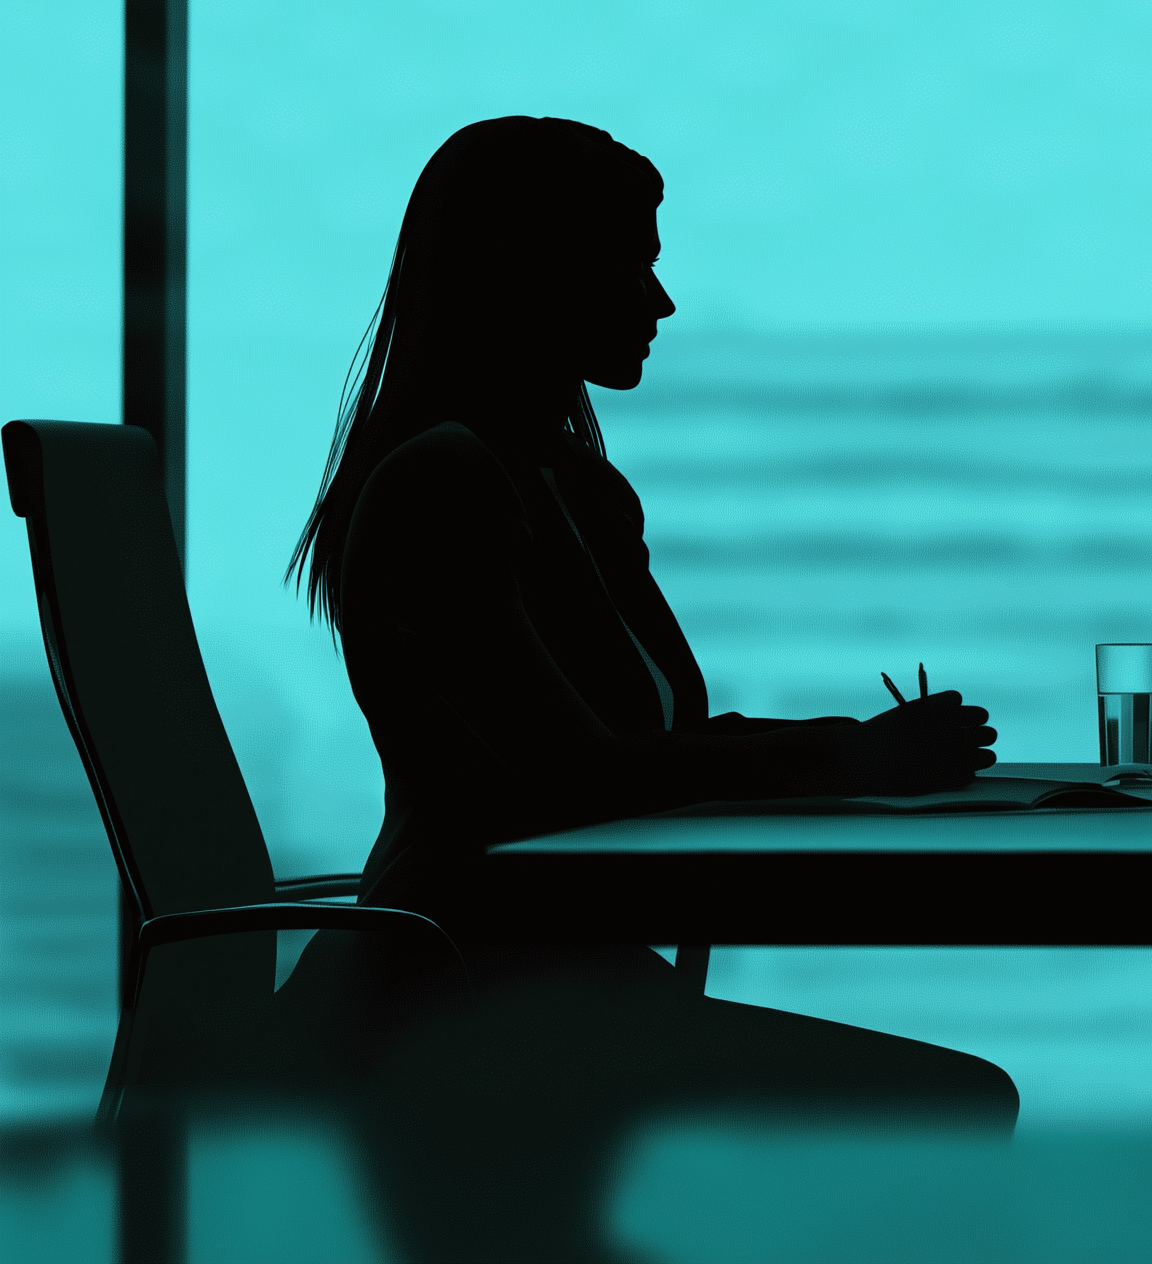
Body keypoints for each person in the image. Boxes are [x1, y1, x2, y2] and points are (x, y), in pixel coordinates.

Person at [282, 116, 1015, 1263]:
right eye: (630, 263)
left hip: (567, 981)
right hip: (465, 991)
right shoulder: (441, 485)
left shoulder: (574, 486)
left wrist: (854, 748)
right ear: (527, 273)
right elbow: (568, 776)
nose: (659, 300)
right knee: (950, 1105)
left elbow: (654, 741)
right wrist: (840, 760)